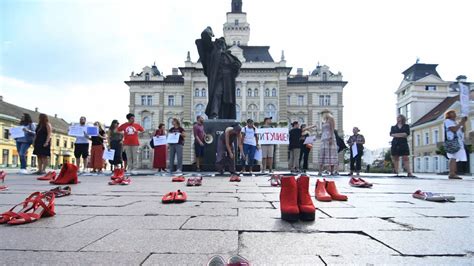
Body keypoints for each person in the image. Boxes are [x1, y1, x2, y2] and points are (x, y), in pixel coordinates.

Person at [444, 110, 467, 179]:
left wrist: (463, 123)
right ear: (448, 115)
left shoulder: (455, 122)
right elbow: (453, 129)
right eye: (452, 113)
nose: (454, 114)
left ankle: (453, 173)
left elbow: (463, 130)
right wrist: (460, 123)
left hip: (458, 141)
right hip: (453, 141)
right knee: (453, 157)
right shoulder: (447, 121)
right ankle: (452, 173)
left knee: (455, 157)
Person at [318, 110, 338, 176]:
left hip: (329, 137)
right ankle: (320, 171)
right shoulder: (324, 121)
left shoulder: (331, 119)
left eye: (322, 114)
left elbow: (332, 129)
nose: (322, 115)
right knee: (322, 154)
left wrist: (331, 138)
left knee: (331, 154)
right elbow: (323, 131)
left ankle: (332, 171)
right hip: (323, 138)